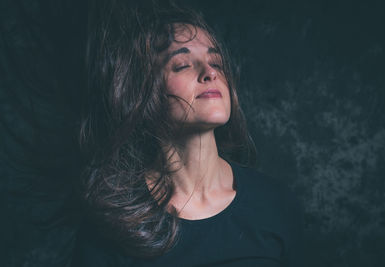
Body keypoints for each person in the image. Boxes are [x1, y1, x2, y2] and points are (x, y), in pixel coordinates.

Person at [72, 1, 304, 266]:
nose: (210, 73)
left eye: (216, 61)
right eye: (182, 65)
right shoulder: (111, 224)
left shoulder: (276, 205)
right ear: (142, 91)